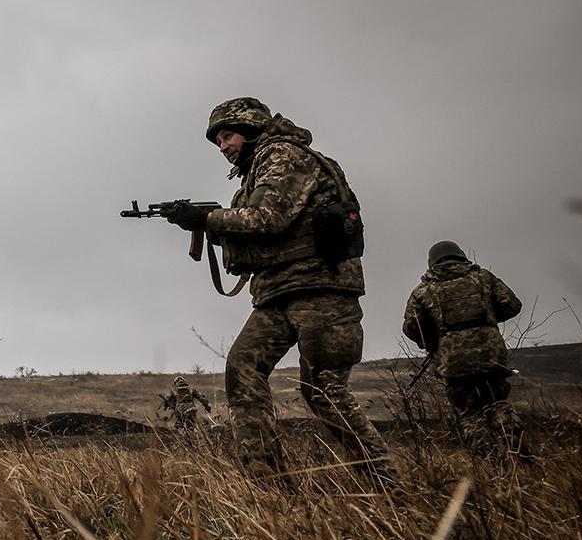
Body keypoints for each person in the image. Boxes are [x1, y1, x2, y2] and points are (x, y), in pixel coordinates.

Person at [164, 97, 393, 483]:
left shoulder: (283, 155)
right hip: (279, 291)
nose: (223, 147)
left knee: (323, 390)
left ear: (252, 128)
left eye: (228, 135)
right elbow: (256, 236)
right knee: (242, 368)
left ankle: (384, 481)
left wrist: (206, 217)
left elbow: (269, 218)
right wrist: (207, 225)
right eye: (218, 140)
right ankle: (267, 484)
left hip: (320, 287)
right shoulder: (254, 172)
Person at [402, 240, 530, 459]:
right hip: (491, 356)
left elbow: (412, 328)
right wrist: (487, 320)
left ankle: (491, 463)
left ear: (432, 262)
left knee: (470, 414)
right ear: (460, 256)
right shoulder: (483, 278)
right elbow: (512, 305)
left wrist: (433, 342)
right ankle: (520, 456)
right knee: (498, 403)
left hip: (454, 363)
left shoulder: (423, 291)